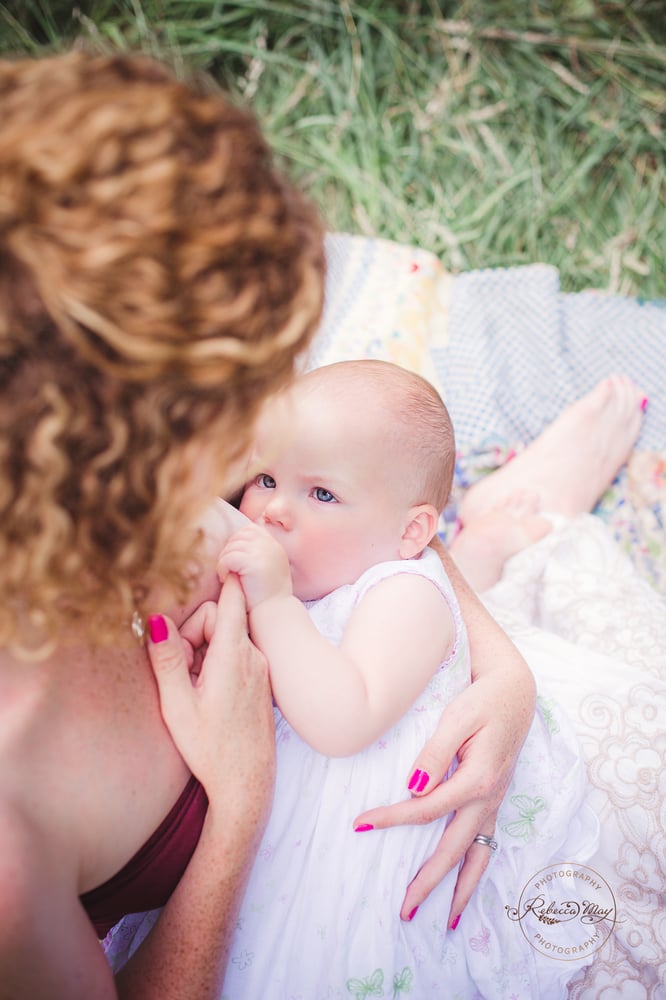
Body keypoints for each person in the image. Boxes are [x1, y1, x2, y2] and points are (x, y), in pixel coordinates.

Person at [0, 49, 541, 999]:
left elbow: (366, 511)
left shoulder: (100, 490)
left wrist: (503, 677)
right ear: (125, 447)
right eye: (237, 414)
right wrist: (240, 807)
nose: (261, 479)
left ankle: (506, 527)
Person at [198, 359, 599, 997]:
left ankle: (495, 535)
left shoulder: (405, 592)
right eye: (266, 477)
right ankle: (487, 542)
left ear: (410, 531)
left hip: (355, 871)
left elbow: (343, 718)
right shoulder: (308, 577)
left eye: (321, 493)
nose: (273, 510)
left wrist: (271, 604)